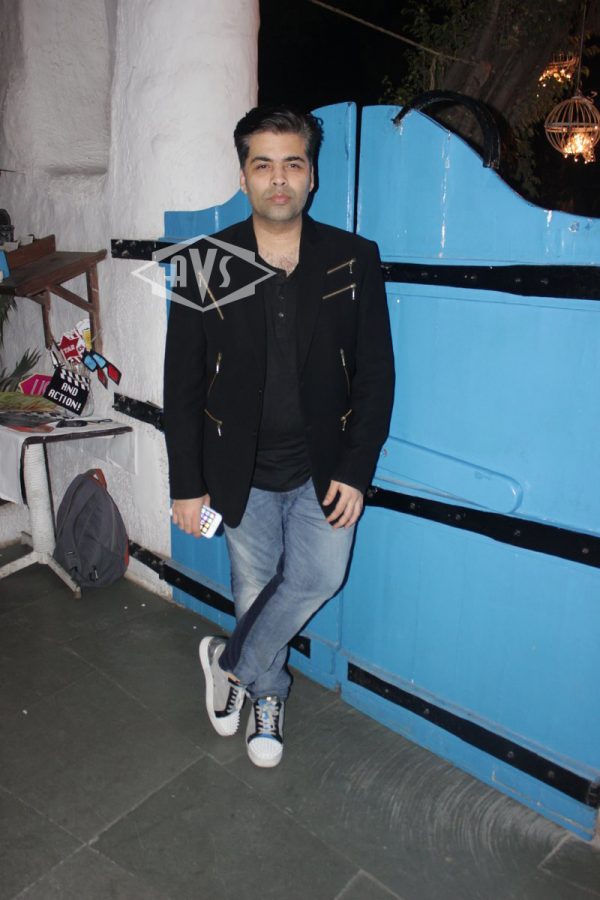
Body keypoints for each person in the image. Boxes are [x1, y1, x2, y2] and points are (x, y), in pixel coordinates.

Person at [163, 106, 394, 768]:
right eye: (263, 165)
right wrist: (187, 483)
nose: (279, 178)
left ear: (312, 174)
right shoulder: (206, 262)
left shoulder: (353, 258)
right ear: (243, 176)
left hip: (327, 465)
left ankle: (230, 664)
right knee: (254, 584)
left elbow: (376, 373)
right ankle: (268, 694)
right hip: (238, 466)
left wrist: (357, 467)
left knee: (320, 575)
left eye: (293, 163)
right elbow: (181, 382)